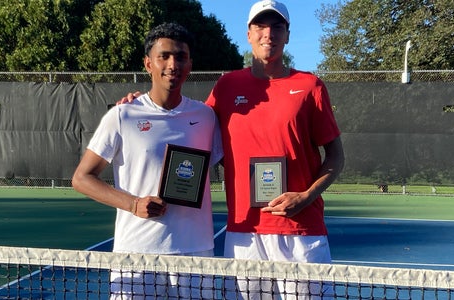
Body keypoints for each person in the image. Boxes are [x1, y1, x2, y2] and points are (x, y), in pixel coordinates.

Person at [118, 1, 344, 298]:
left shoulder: (309, 85)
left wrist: (305, 197)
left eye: (277, 27)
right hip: (243, 235)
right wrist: (143, 103)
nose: (269, 34)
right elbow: (188, 122)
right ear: (249, 34)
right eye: (261, 26)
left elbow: (336, 156)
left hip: (302, 232)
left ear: (287, 35)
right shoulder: (227, 86)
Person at [72, 22, 223, 299]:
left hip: (197, 252)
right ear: (147, 63)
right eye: (163, 56)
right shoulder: (123, 115)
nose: (172, 64)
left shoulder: (206, 117)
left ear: (190, 64)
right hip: (137, 255)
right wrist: (133, 204)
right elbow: (82, 178)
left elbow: (231, 166)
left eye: (180, 56)